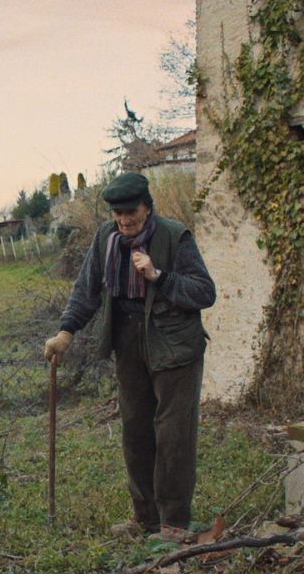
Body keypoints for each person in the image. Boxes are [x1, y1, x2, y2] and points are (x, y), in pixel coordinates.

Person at [43, 172, 216, 543]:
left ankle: (174, 524)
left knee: (173, 434)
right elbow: (87, 288)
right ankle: (146, 518)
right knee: (135, 431)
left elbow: (204, 292)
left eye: (131, 213)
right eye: (118, 214)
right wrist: (66, 331)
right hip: (128, 341)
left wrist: (158, 276)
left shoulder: (175, 236)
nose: (124, 221)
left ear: (147, 208)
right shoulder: (106, 238)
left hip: (175, 345)